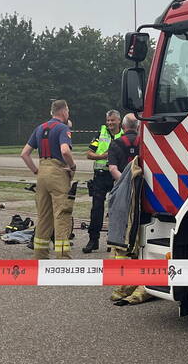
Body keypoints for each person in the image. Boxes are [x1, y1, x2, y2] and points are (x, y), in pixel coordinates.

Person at [20, 99, 76, 259]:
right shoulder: (63, 128)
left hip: (42, 172)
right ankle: (63, 256)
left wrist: (36, 170)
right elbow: (65, 151)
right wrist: (72, 166)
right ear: (64, 111)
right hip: (57, 172)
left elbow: (24, 153)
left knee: (44, 216)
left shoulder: (39, 128)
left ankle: (40, 255)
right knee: (61, 214)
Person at [106, 113, 151, 305]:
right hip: (147, 192)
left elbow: (112, 168)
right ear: (138, 126)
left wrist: (125, 185)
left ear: (123, 127)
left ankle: (125, 283)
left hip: (126, 195)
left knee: (124, 238)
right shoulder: (146, 143)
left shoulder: (116, 144)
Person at [83, 110, 123, 253]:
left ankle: (112, 241)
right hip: (100, 176)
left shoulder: (123, 135)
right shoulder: (100, 134)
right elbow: (89, 154)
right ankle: (93, 240)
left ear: (119, 121)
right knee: (96, 209)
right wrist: (103, 156)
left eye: (112, 120)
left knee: (116, 210)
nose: (110, 123)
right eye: (108, 120)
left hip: (116, 177)